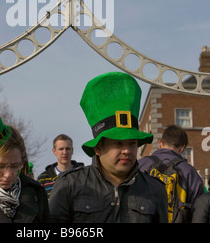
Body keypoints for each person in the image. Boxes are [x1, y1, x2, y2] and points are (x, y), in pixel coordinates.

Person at [49, 72, 168, 223]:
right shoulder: (70, 185)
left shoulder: (154, 189)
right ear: (98, 148)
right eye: (118, 143)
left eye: (132, 143)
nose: (126, 150)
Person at [138, 124, 204, 222]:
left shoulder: (141, 164)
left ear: (160, 143)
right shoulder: (190, 172)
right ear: (182, 148)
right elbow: (199, 212)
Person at [37, 134, 84, 199]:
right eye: (61, 149)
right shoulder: (43, 178)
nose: (65, 152)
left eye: (67, 149)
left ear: (72, 150)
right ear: (54, 151)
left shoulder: (84, 175)